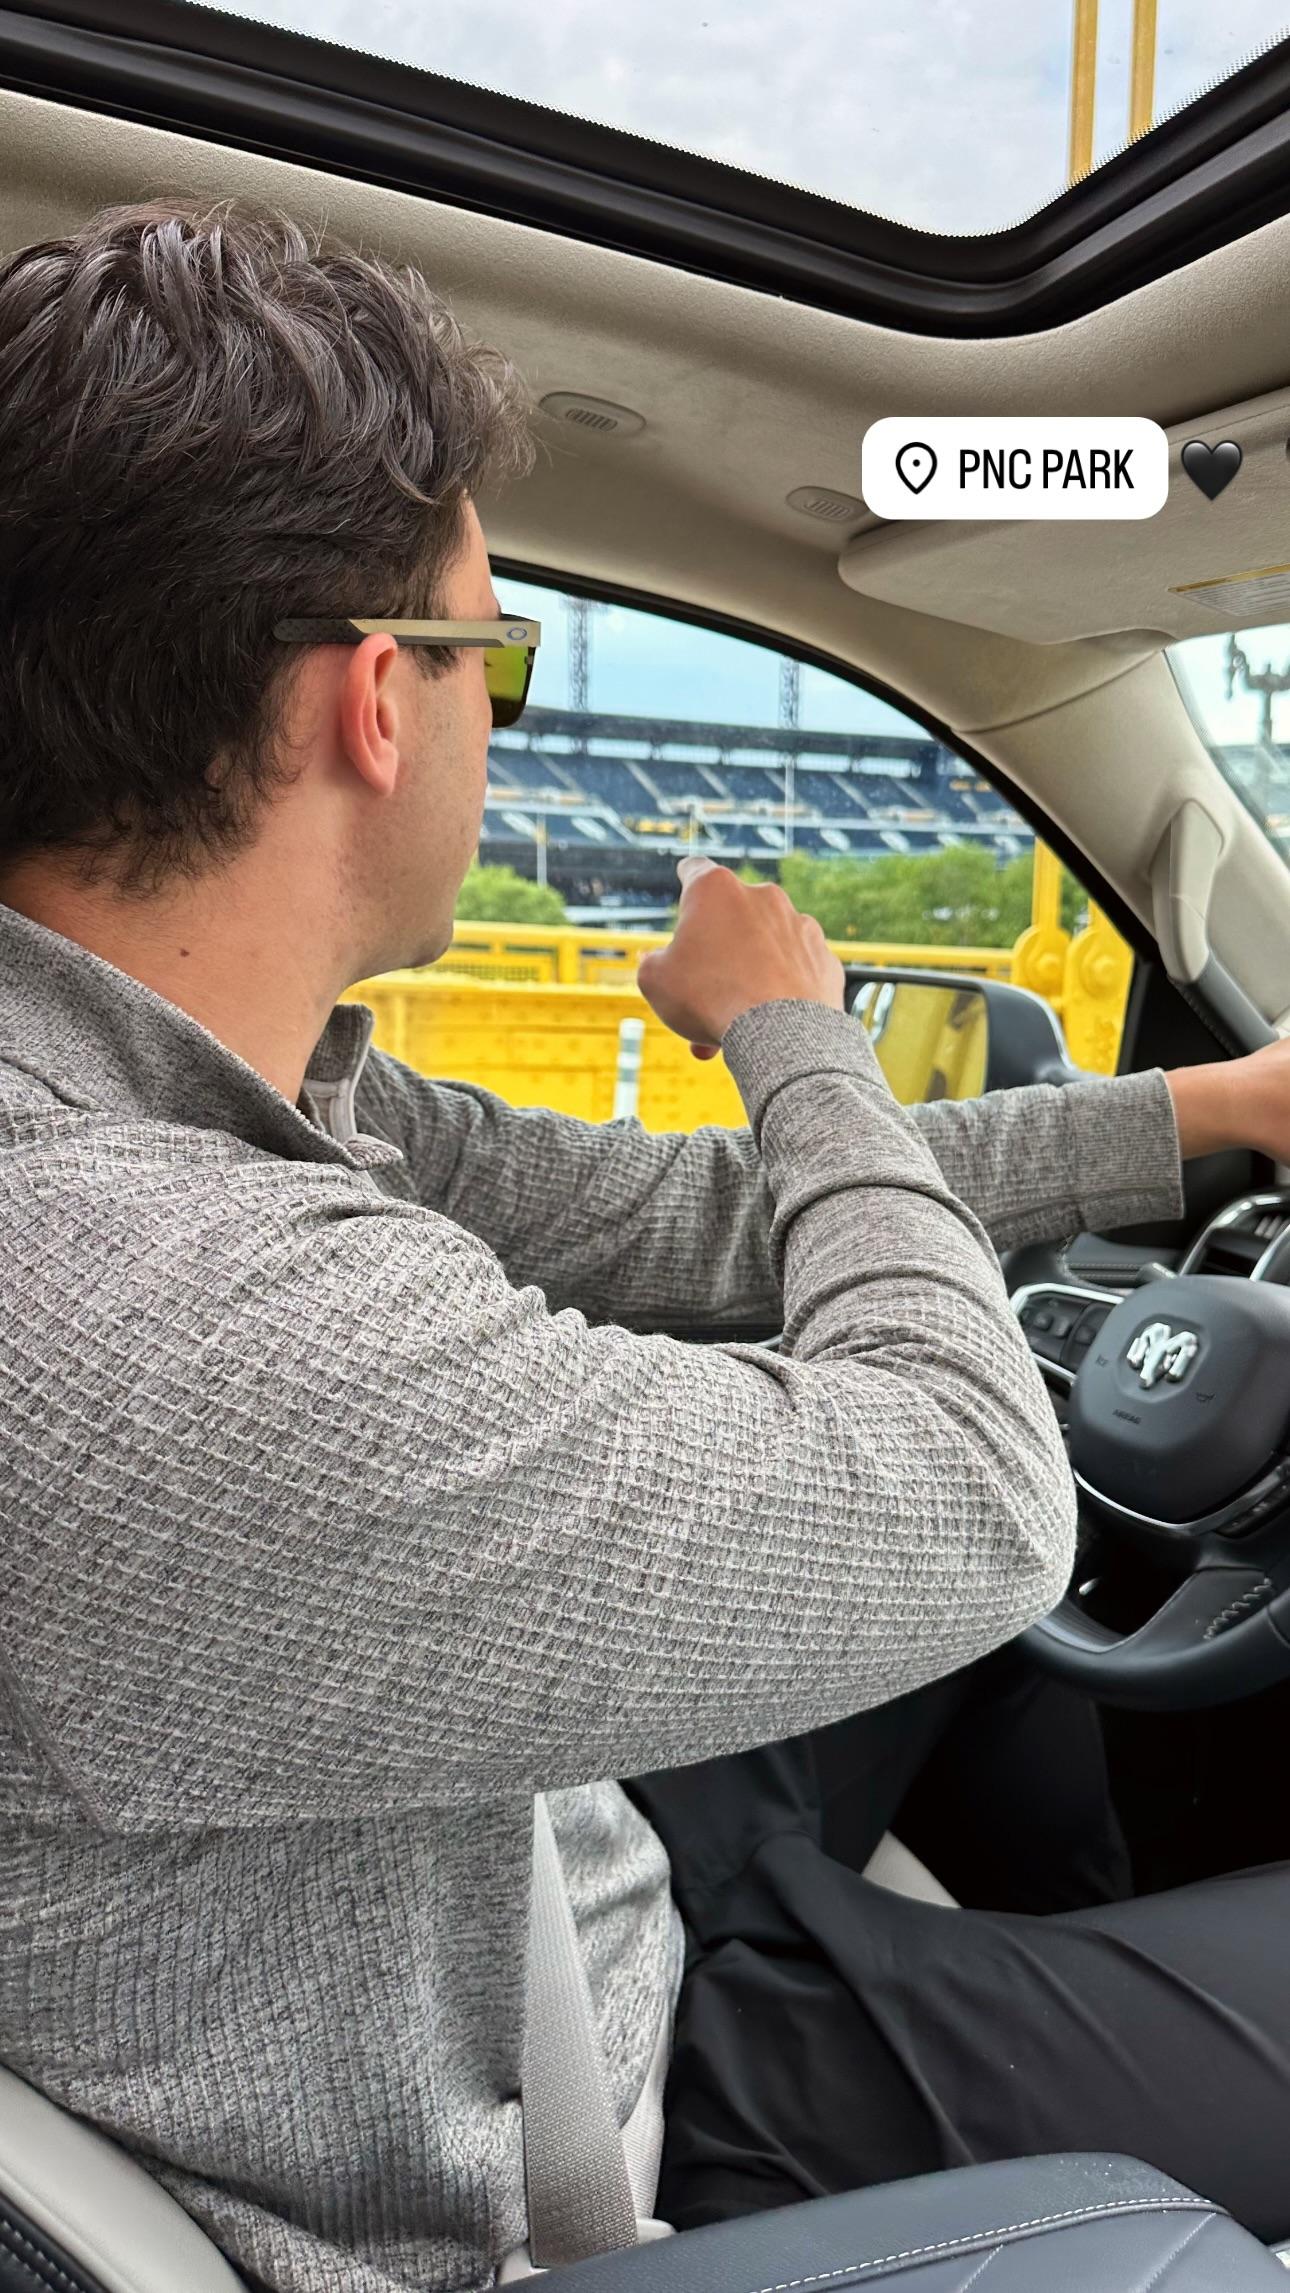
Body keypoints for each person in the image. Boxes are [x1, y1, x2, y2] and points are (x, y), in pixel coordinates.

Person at [1, 199, 1289, 2293]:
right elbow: (973, 1489)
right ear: (376, 705)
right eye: (487, 650)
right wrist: (789, 1018)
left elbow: (695, 1219)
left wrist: (1206, 1116)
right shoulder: (173, 1305)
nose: (500, 709)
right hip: (560, 2100)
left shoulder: (177, 1101)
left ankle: (1024, 1953)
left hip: (474, 1867)